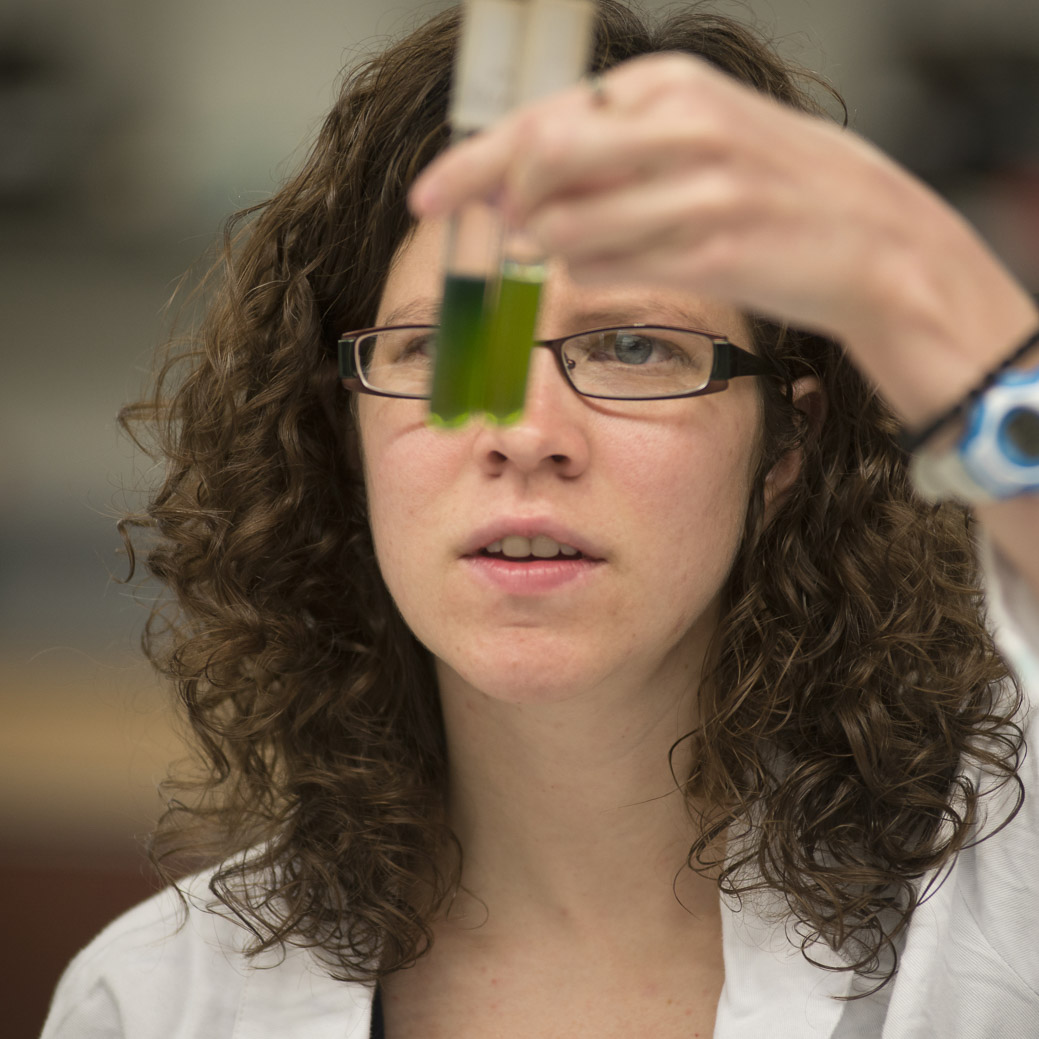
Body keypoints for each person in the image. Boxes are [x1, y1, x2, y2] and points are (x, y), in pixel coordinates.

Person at [43, 2, 1039, 1037]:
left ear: (783, 449)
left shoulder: (999, 908)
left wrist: (914, 273)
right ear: (347, 436)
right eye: (449, 351)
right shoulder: (156, 1004)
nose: (523, 434)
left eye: (633, 348)